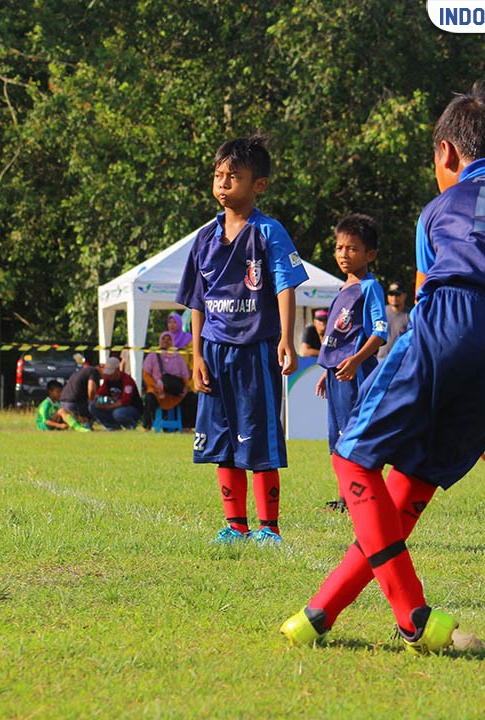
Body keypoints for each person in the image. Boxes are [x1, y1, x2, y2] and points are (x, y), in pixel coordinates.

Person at [280, 85, 485, 652]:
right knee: (404, 491)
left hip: (447, 321)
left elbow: (428, 301)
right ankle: (319, 613)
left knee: (351, 456)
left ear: (447, 154)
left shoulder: (437, 210)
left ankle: (414, 619)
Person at [175, 134, 309, 545]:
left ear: (259, 185)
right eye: (218, 175)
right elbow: (197, 300)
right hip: (214, 351)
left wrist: (285, 338)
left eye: (234, 176)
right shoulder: (204, 238)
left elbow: (286, 284)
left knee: (261, 439)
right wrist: (197, 355)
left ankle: (269, 528)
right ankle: (235, 525)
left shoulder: (268, 232)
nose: (223, 183)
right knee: (220, 440)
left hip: (255, 349)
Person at [315, 213, 388, 454]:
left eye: (352, 249)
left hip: (356, 373)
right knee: (337, 438)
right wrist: (329, 369)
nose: (343, 254)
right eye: (339, 247)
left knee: (355, 438)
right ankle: (345, 492)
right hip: (338, 374)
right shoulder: (343, 288)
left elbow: (380, 331)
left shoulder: (370, 288)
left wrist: (356, 361)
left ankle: (358, 492)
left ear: (370, 255)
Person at [142, 330, 196, 429]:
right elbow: (146, 375)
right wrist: (155, 386)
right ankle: (146, 426)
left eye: (169, 339)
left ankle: (187, 427)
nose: (166, 342)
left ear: (173, 342)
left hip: (175, 391)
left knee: (192, 399)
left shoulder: (178, 357)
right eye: (163, 339)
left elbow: (185, 375)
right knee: (149, 398)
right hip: (156, 389)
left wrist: (185, 388)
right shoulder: (153, 356)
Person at [88, 357, 142, 430]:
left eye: (111, 374)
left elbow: (125, 401)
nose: (109, 376)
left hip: (131, 408)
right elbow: (100, 393)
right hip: (115, 406)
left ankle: (131, 425)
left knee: (118, 413)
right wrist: (98, 401)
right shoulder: (108, 381)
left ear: (117, 370)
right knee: (92, 406)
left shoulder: (127, 381)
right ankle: (112, 426)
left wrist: (109, 407)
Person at [59, 360, 98, 431]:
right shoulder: (93, 371)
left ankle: (78, 424)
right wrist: (91, 400)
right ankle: (86, 425)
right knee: (93, 409)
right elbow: (91, 388)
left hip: (63, 402)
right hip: (74, 403)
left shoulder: (79, 372)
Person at [377, 282, 410, 360]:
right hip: (381, 359)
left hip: (401, 360)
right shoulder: (381, 313)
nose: (394, 297)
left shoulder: (410, 315)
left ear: (404, 295)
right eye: (391, 294)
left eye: (397, 294)